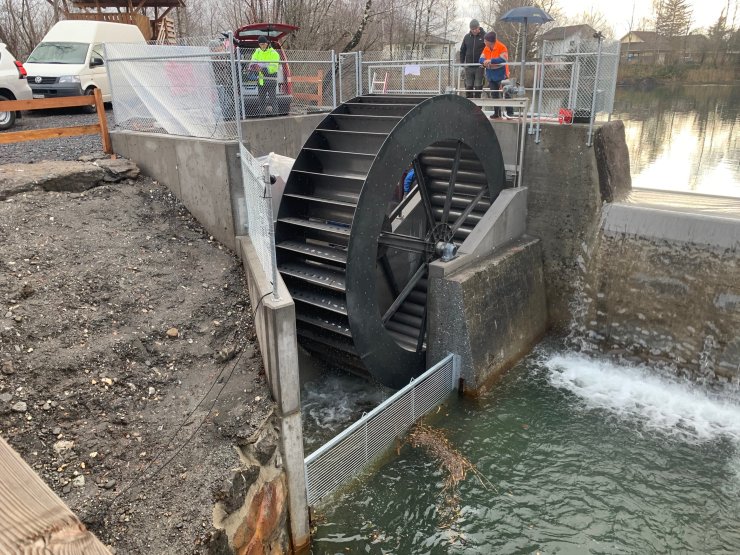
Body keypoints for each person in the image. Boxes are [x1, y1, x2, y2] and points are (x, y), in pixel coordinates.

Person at [479, 31, 510, 119]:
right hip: (491, 75)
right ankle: (497, 113)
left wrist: (491, 61)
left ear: (490, 41)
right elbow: (481, 59)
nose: (484, 42)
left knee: (506, 93)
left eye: (485, 41)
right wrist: (484, 62)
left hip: (501, 74)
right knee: (494, 94)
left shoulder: (501, 47)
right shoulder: (486, 48)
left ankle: (510, 113)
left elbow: (503, 59)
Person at [249, 36, 280, 116]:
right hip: (261, 80)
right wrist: (254, 67)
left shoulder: (274, 53)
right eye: (260, 44)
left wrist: (262, 69)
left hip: (270, 80)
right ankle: (262, 115)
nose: (262, 46)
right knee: (261, 100)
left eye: (263, 44)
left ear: (267, 43)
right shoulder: (257, 51)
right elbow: (253, 61)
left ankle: (275, 116)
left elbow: (274, 67)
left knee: (273, 100)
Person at [459, 19, 486, 99]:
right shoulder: (467, 37)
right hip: (469, 66)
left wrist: (485, 63)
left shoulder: (484, 36)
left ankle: (478, 106)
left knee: (478, 86)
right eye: (472, 29)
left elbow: (488, 50)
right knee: (468, 86)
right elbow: (462, 50)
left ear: (479, 27)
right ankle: (469, 104)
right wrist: (462, 63)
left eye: (475, 29)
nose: (474, 31)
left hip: (479, 66)